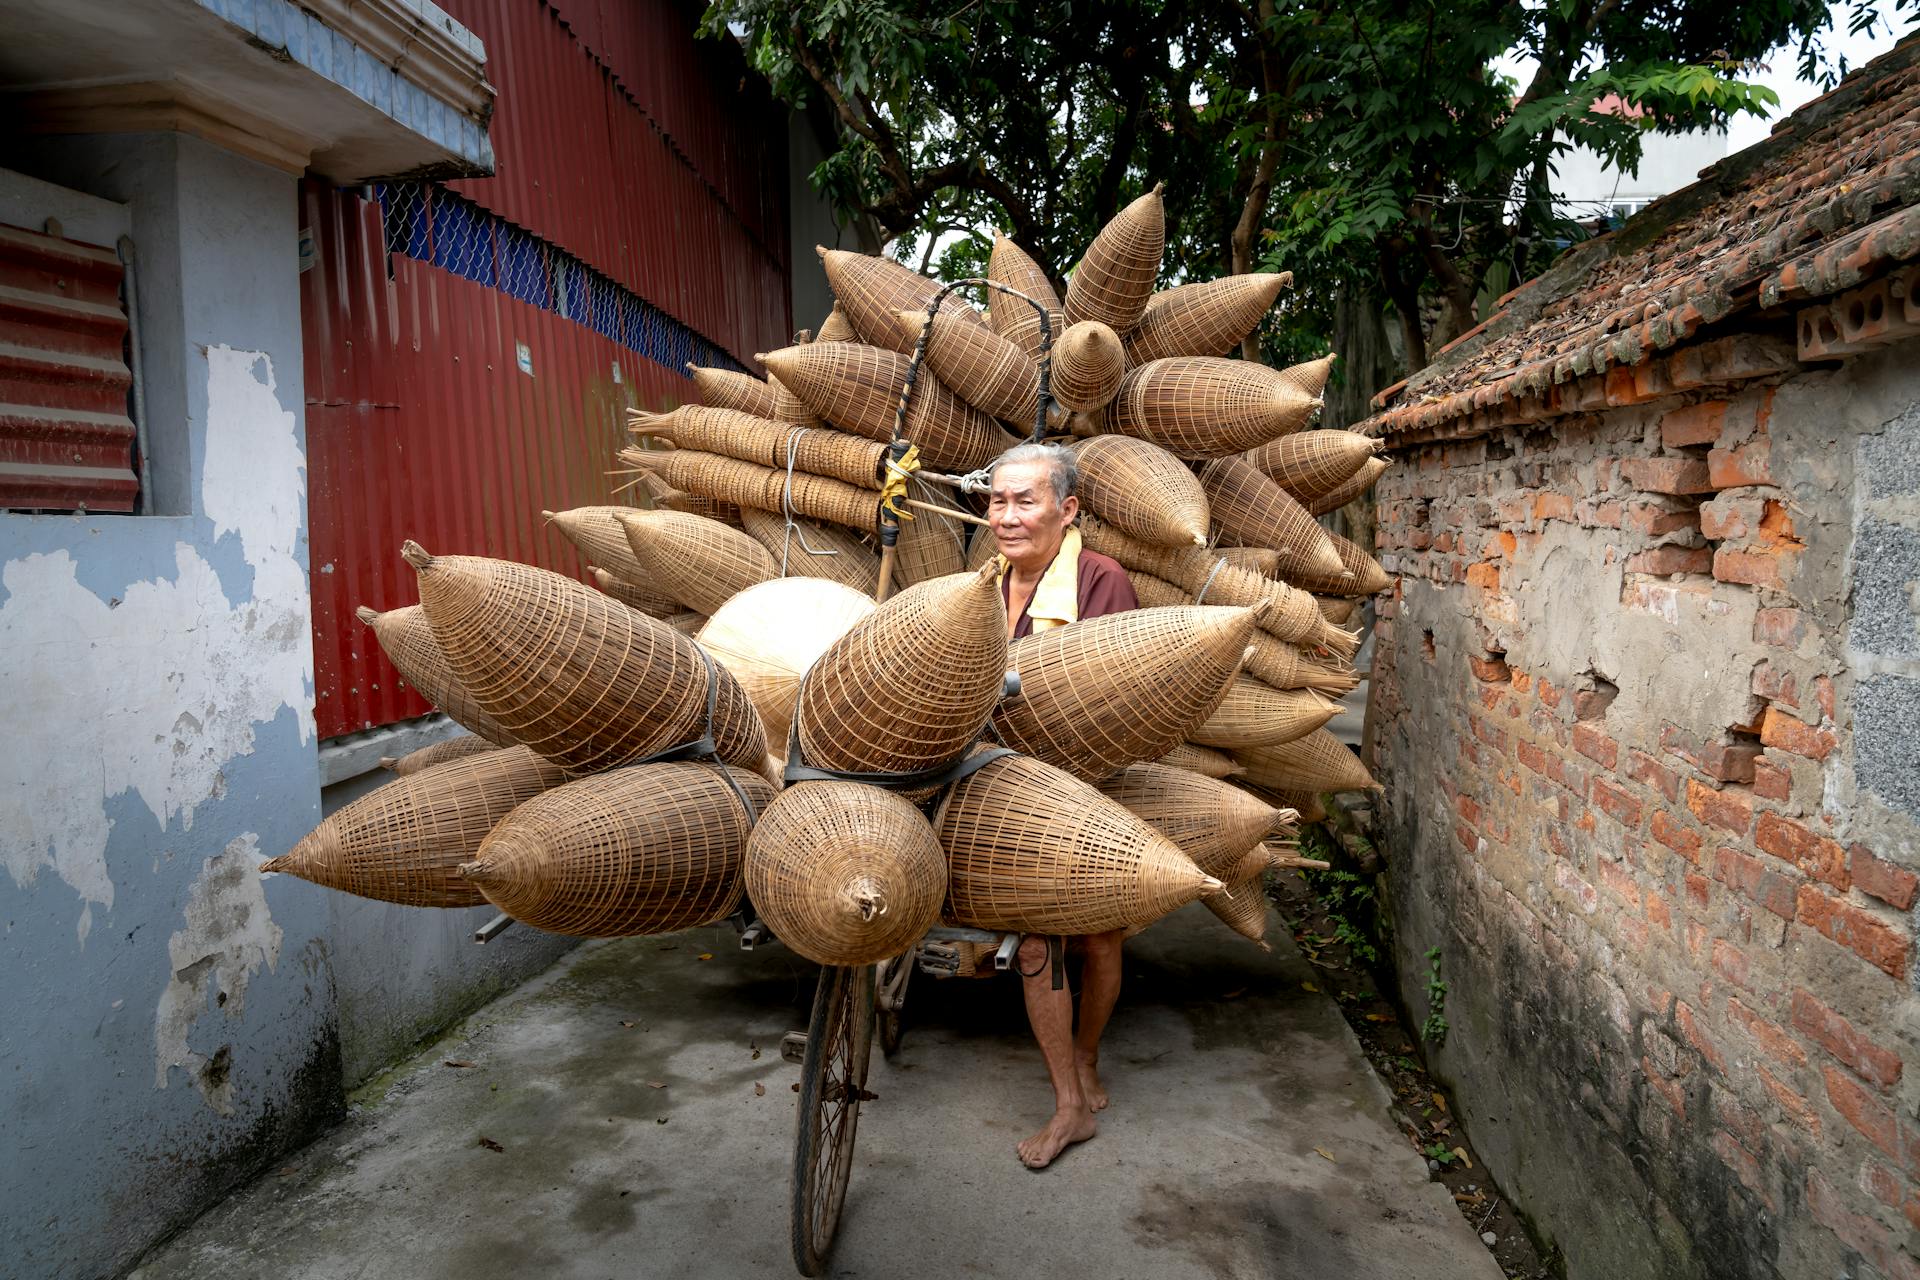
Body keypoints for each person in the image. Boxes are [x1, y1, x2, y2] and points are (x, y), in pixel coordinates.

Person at [983, 442, 1139, 1170]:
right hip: (1004, 785)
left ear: (1067, 509)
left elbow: (1120, 693)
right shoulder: (981, 585)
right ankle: (1070, 1106)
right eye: (996, 501)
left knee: (1100, 940)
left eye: (1024, 501)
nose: (1006, 517)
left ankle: (1085, 1055)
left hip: (1083, 785)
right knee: (1038, 942)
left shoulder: (1100, 580)